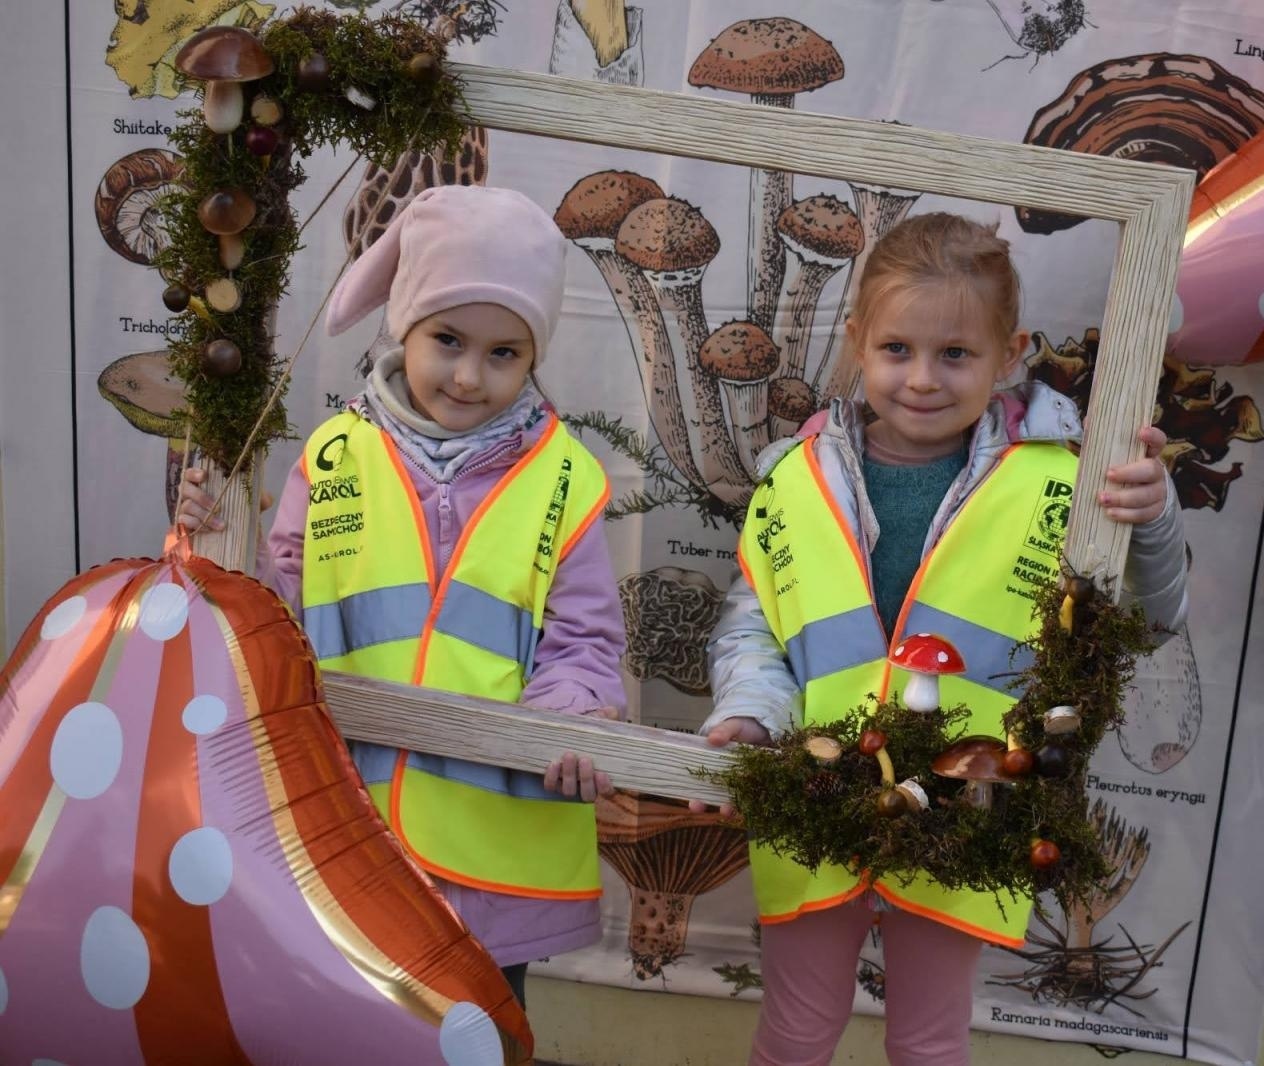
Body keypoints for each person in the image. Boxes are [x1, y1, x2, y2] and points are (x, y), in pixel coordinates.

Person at [702, 212, 1189, 1066]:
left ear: (1010, 355)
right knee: (794, 1034)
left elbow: (1145, 624)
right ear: (856, 343)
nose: (922, 379)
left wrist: (1150, 521)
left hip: (973, 806)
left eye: (956, 354)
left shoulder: (1070, 479)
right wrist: (749, 711)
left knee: (929, 1044)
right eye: (897, 349)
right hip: (816, 791)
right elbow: (758, 623)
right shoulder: (798, 475)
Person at [175, 185, 626, 1009]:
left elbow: (587, 641)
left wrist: (574, 710)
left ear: (534, 359)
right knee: (341, 1026)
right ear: (402, 327)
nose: (467, 374)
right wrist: (208, 548)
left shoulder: (569, 478)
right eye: (447, 339)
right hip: (350, 822)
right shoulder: (333, 456)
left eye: (503, 353)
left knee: (481, 1031)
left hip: (495, 847)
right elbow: (272, 615)